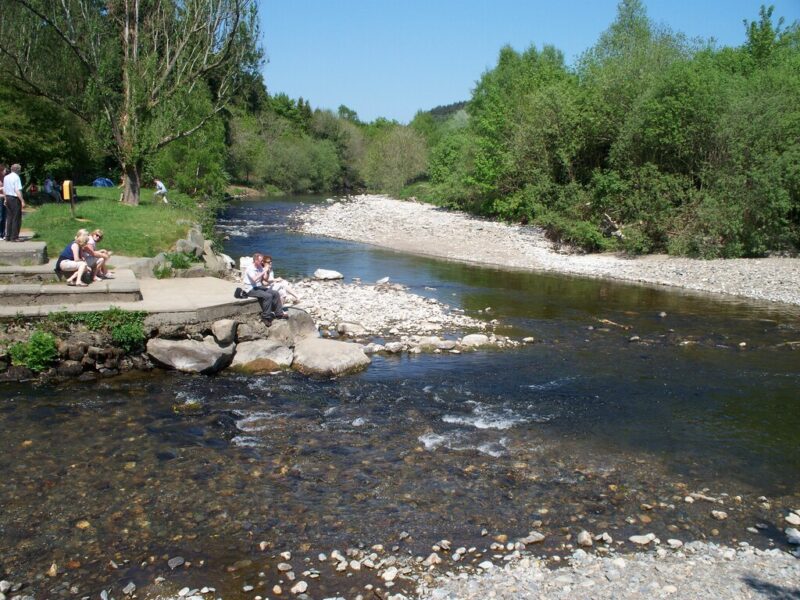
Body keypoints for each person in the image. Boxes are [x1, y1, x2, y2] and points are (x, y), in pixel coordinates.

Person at [235, 252, 285, 326]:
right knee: (268, 296)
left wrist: (267, 271)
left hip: (258, 287)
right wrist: (264, 271)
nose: (262, 262)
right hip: (250, 288)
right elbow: (254, 279)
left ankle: (279, 313)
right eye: (261, 261)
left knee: (275, 293)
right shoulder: (250, 268)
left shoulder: (260, 267)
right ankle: (265, 317)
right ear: (256, 260)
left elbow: (265, 278)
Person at [3, 163, 25, 242]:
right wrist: (22, 200)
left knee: (9, 218)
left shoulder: (6, 177)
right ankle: (14, 237)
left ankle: (8, 236)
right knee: (16, 218)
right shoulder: (16, 177)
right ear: (18, 170)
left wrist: (5, 199)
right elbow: (17, 190)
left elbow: (4, 189)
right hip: (14, 198)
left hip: (8, 197)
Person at [0, 164, 6, 240]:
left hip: (4, 198)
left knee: (4, 217)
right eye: (4, 170)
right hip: (0, 198)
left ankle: (3, 233)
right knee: (1, 217)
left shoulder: (4, 178)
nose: (5, 171)